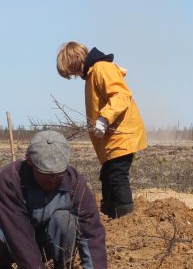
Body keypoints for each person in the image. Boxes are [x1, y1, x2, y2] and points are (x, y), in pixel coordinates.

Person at [0, 130, 107, 269]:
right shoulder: (10, 179)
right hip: (11, 240)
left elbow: (91, 232)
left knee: (65, 220)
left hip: (47, 243)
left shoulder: (75, 182)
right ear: (30, 163)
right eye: (45, 174)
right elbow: (19, 236)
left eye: (57, 174)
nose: (52, 180)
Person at [56, 41, 148, 219]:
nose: (74, 75)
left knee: (116, 176)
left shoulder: (101, 69)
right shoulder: (91, 75)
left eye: (71, 71)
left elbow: (122, 96)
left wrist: (104, 118)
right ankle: (108, 216)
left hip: (122, 135)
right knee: (107, 176)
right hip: (111, 139)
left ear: (74, 60)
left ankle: (126, 218)